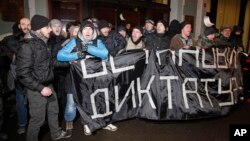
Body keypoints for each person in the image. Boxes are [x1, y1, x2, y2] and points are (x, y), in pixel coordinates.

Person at [16, 15, 70, 141]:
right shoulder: (27, 46)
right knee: (37, 120)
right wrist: (40, 88)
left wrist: (69, 63)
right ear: (39, 28)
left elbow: (51, 62)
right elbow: (22, 74)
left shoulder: (43, 42)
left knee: (54, 110)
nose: (50, 30)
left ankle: (56, 133)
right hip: (36, 88)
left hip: (48, 84)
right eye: (47, 27)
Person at [57, 20, 116, 136]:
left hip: (95, 79)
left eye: (90, 29)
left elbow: (104, 53)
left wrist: (86, 48)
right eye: (85, 29)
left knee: (97, 100)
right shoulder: (74, 41)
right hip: (77, 79)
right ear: (81, 31)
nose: (88, 31)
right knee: (78, 102)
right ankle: (78, 123)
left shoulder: (97, 41)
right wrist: (78, 55)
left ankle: (100, 122)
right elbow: (60, 55)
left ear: (94, 31)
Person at [0, 17, 31, 134]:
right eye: (23, 24)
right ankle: (22, 124)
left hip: (33, 76)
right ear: (19, 26)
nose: (26, 26)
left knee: (34, 102)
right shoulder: (9, 39)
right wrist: (10, 57)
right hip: (19, 79)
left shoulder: (34, 38)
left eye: (28, 24)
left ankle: (36, 122)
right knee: (21, 102)